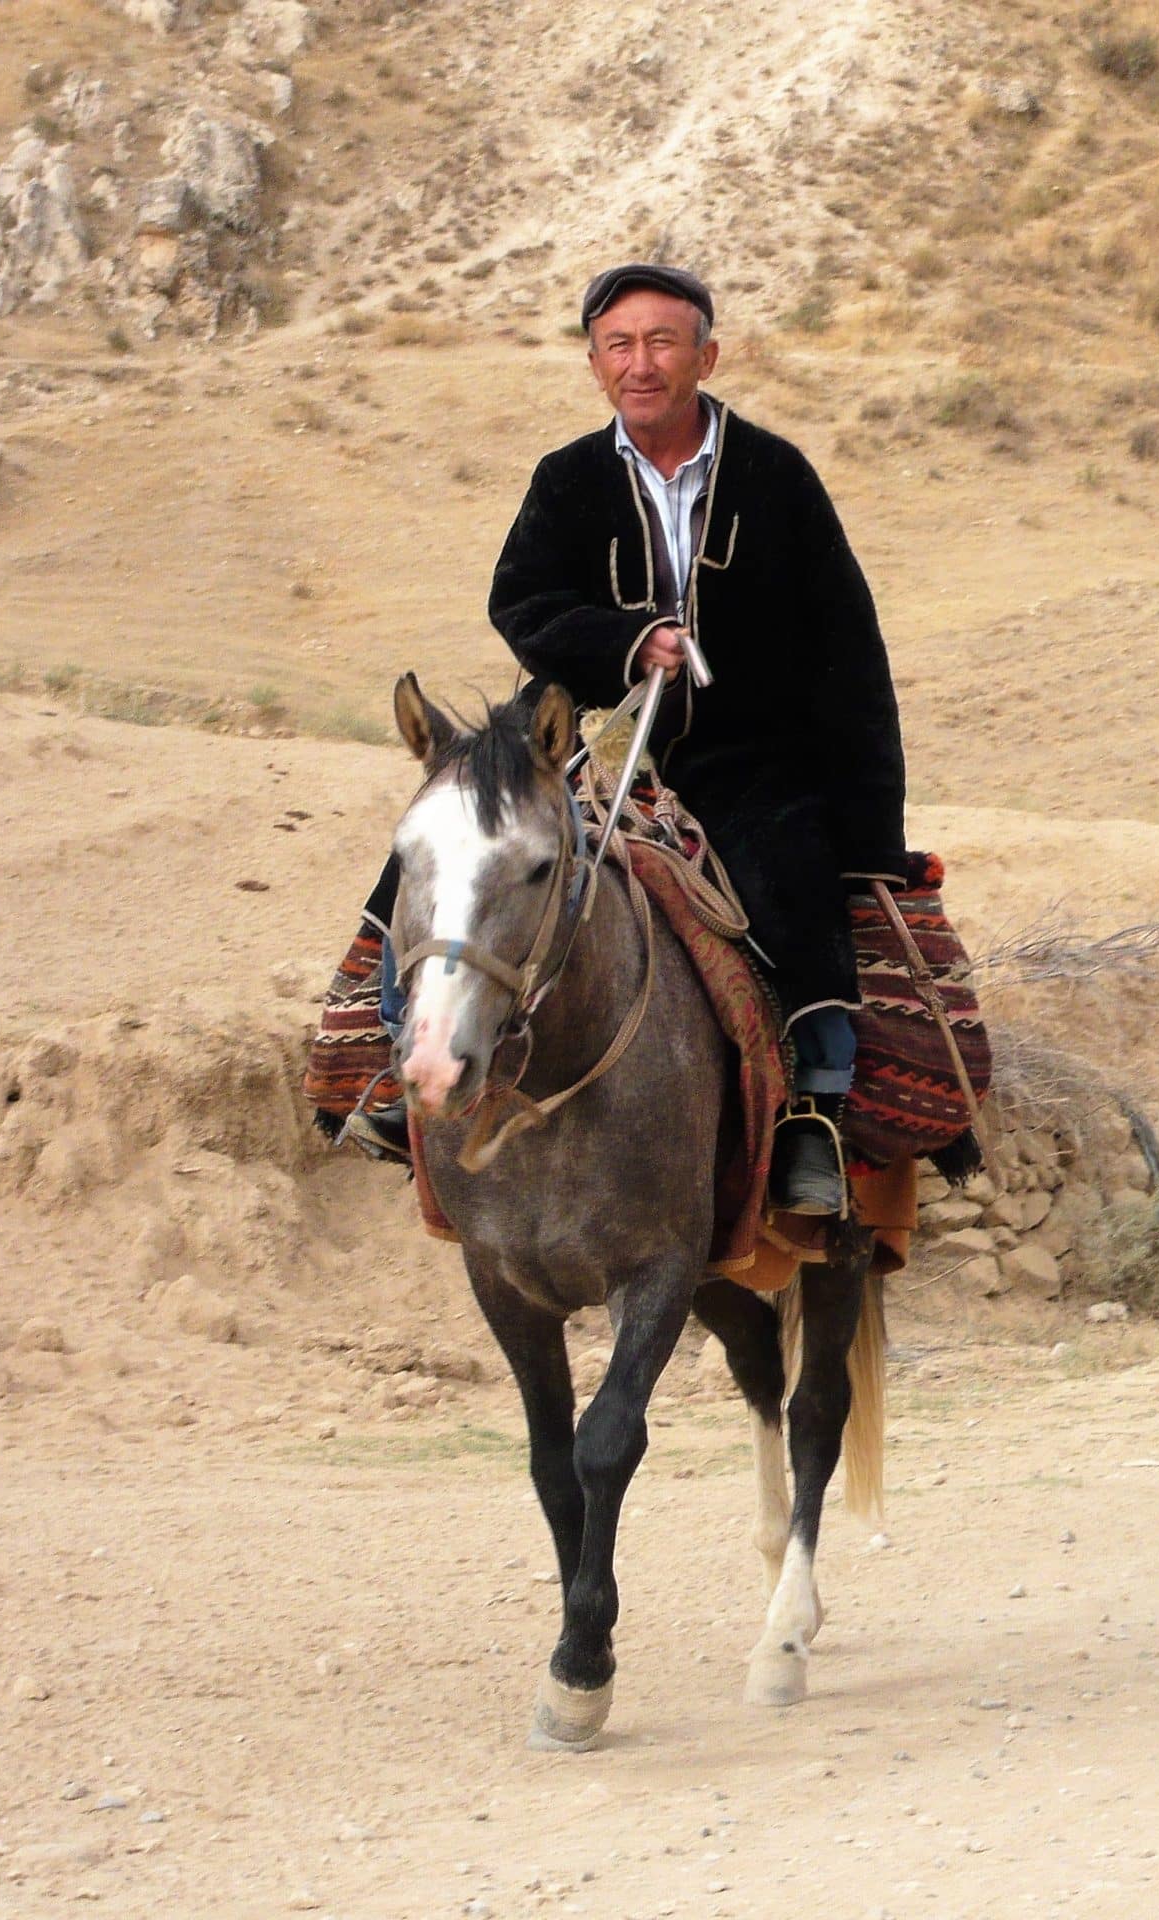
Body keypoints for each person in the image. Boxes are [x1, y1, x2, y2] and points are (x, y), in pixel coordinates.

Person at [324, 263, 906, 1217]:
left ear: (706, 355)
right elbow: (520, 602)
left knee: (792, 871)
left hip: (745, 756)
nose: (642, 364)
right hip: (581, 740)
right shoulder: (569, 479)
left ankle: (814, 1112)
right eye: (620, 346)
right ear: (596, 365)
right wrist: (627, 639)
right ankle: (401, 1059)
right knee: (446, 853)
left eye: (663, 343)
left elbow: (849, 646)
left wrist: (871, 824)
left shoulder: (777, 477)